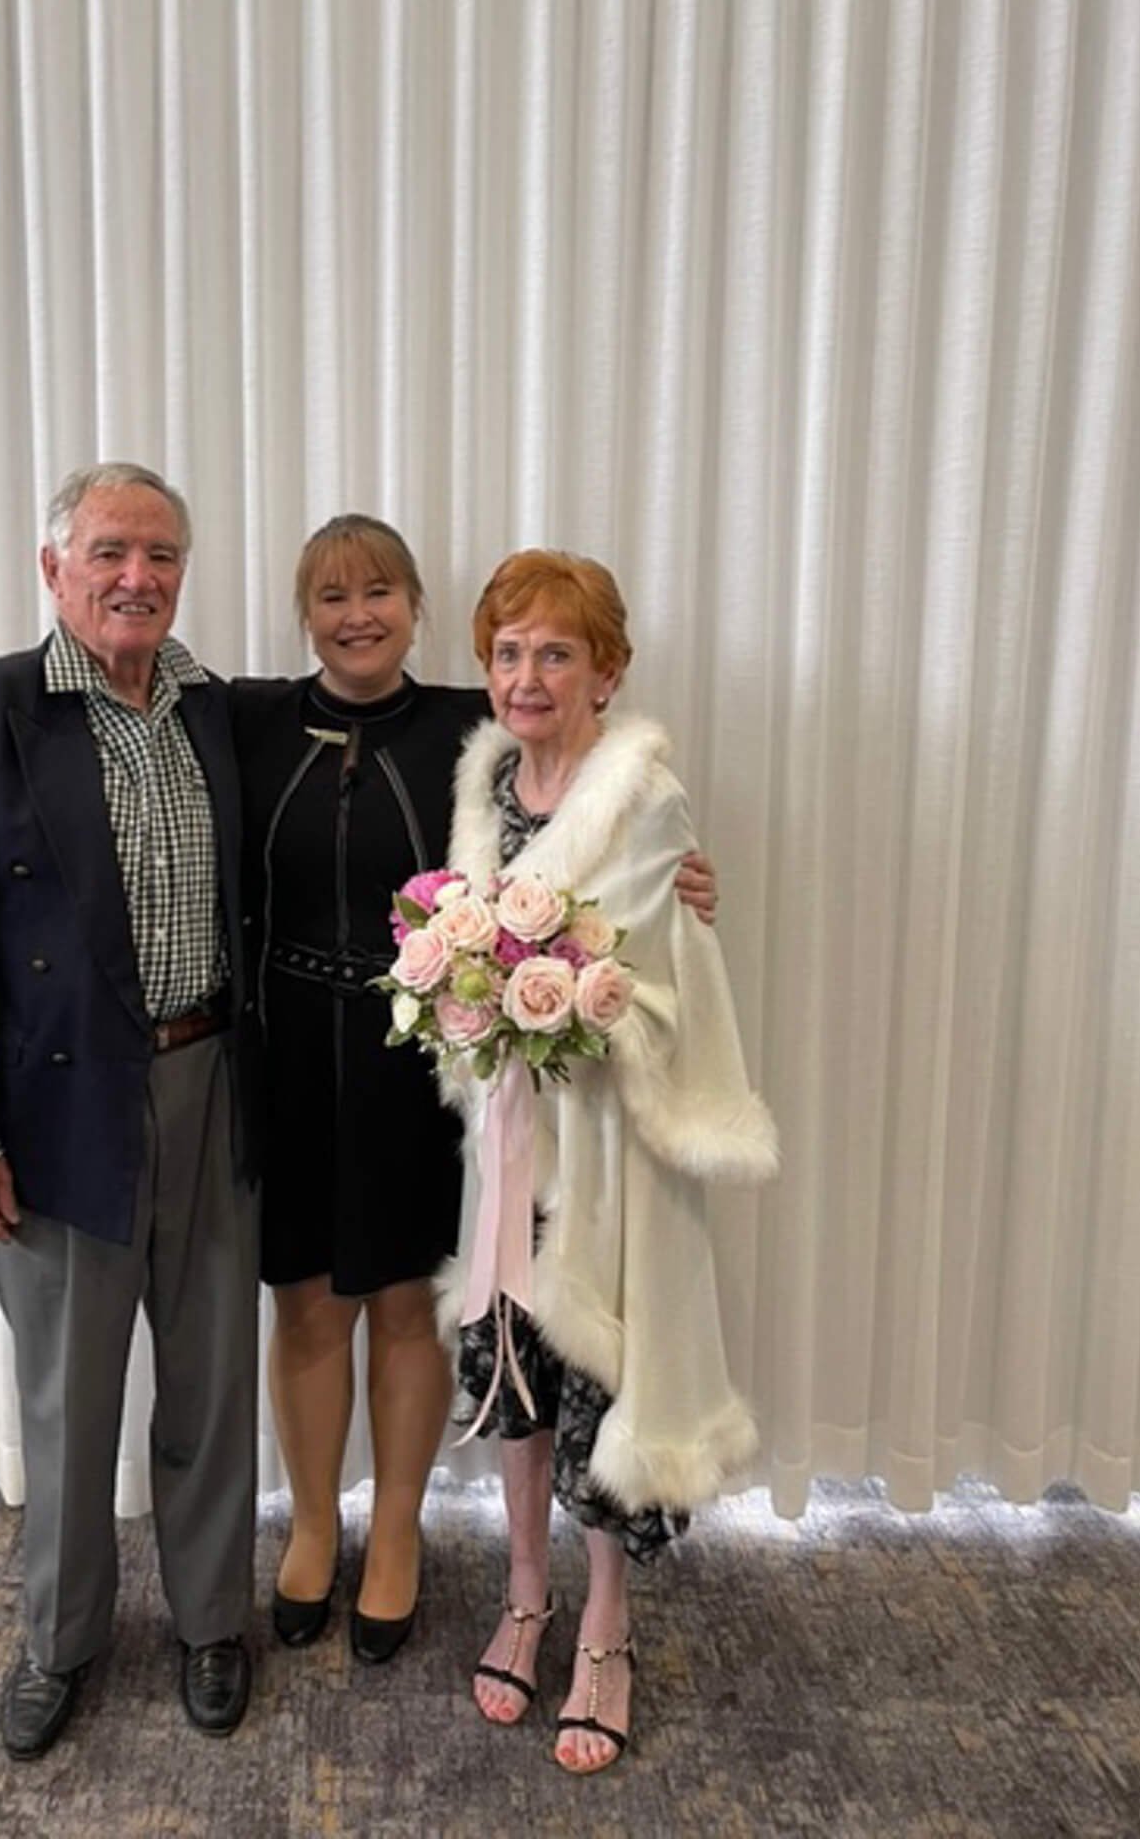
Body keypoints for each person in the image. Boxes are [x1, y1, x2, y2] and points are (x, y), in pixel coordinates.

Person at [229, 518, 719, 1665]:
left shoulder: (472, 728)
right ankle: (314, 1524)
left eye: (380, 591)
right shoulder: (249, 718)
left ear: (416, 607)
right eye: (332, 595)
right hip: (289, 1042)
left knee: (409, 1297)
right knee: (306, 1298)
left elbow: (589, 774)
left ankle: (397, 1529)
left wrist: (684, 872)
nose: (357, 614)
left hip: (427, 1052)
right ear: (304, 613)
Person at [0, 463, 258, 1757]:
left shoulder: (220, 710)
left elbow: (389, 718)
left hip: (214, 1084)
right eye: (109, 551)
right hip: (58, 1112)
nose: (137, 577)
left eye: (161, 555)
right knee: (68, 1396)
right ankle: (60, 1640)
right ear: (54, 569)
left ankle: (213, 1620)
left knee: (212, 1381)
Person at [437, 550, 777, 1774]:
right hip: (512, 1145)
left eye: (557, 652)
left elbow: (662, 976)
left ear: (608, 670)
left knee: (602, 1385)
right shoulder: (486, 787)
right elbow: (468, 934)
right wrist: (464, 990)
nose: (528, 675)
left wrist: (571, 997)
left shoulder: (647, 799)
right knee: (516, 1376)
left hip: (610, 1155)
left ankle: (606, 1630)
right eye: (508, 651)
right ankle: (525, 1595)